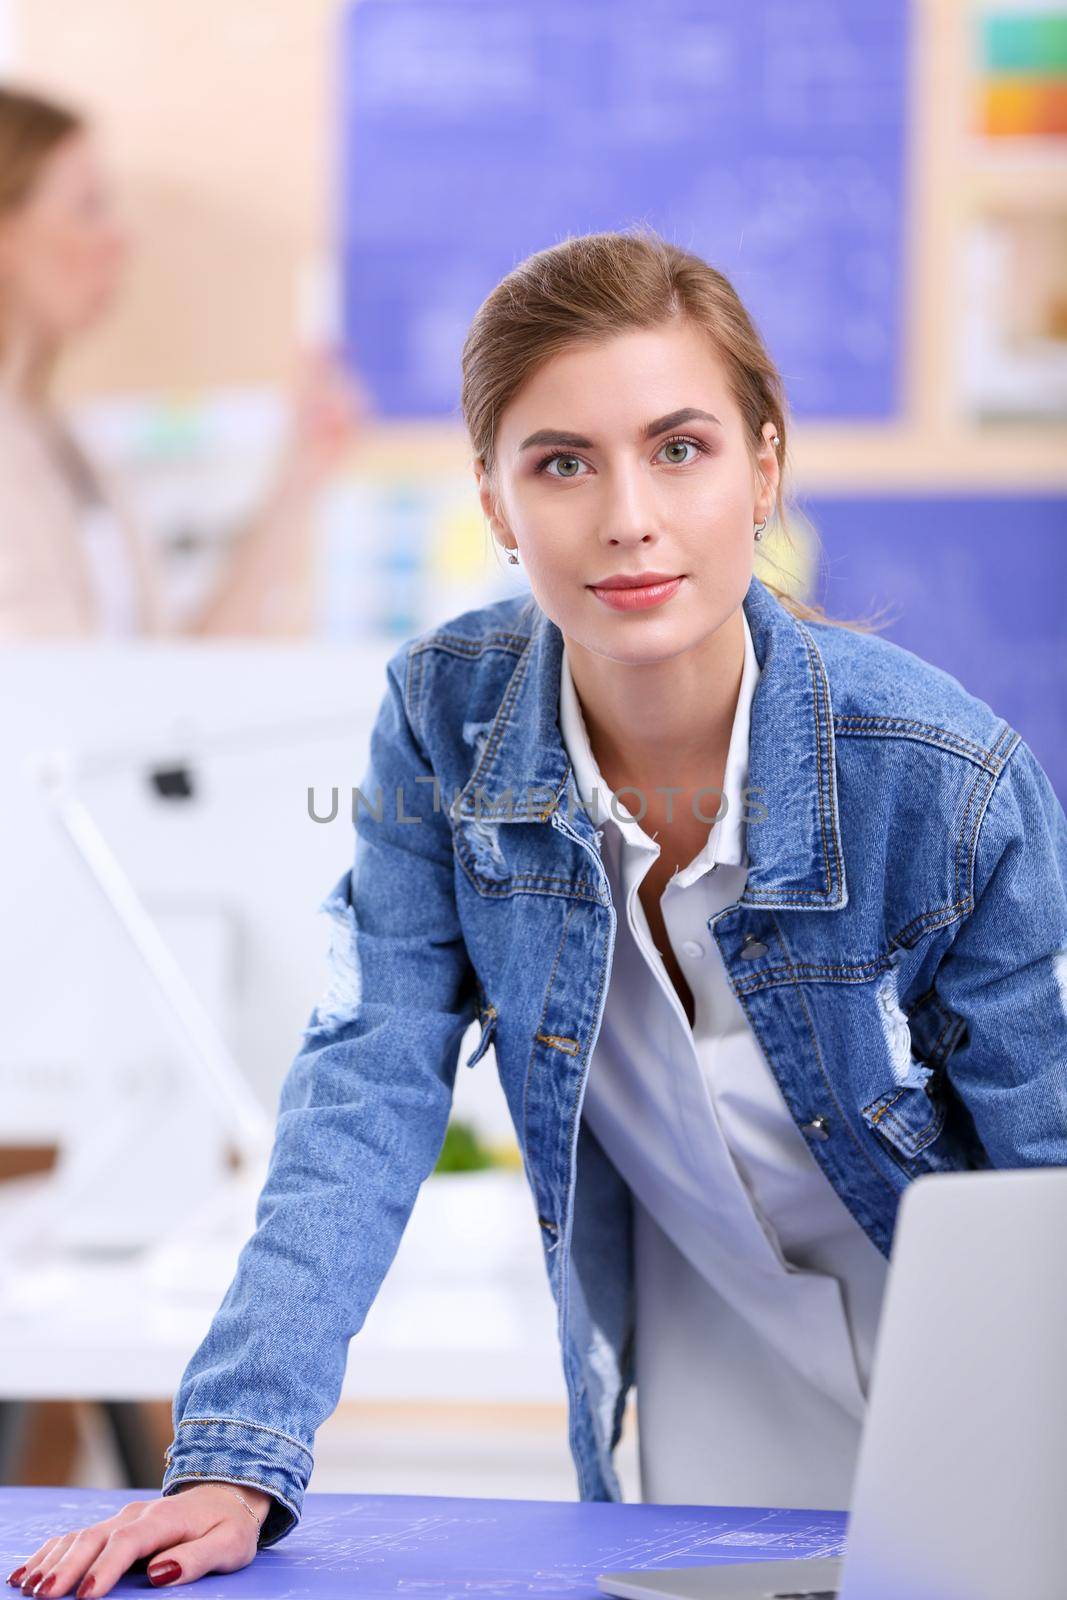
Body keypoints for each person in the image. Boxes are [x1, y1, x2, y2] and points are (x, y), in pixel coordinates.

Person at [10, 225, 1066, 1596]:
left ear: (763, 465)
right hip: (697, 1444)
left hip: (981, 1424)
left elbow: (1047, 1171)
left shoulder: (942, 778)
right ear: (496, 503)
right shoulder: (447, 717)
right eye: (560, 462)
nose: (623, 514)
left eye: (677, 448)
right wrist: (233, 1456)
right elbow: (367, 1074)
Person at [0, 84, 366, 639]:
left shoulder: (59, 444)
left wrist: (301, 475)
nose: (119, 239)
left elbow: (176, 680)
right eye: (87, 207)